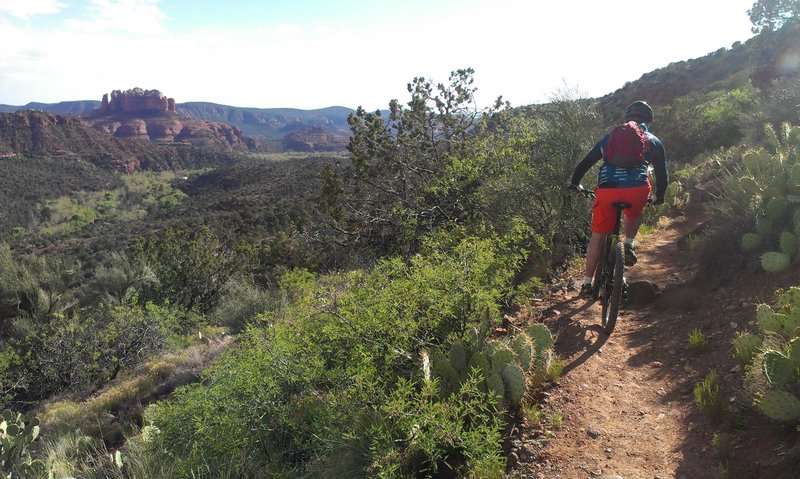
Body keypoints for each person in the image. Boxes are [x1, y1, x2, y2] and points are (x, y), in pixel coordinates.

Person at [569, 101, 668, 297]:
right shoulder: (654, 142)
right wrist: (660, 195)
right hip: (637, 190)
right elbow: (662, 175)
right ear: (648, 121)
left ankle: (587, 284)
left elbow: (585, 163)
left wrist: (576, 184)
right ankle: (629, 244)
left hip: (608, 191)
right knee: (634, 211)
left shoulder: (609, 139)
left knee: (597, 236)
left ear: (626, 119)